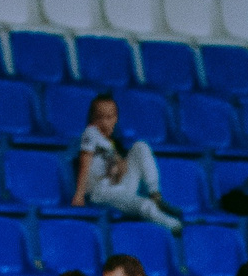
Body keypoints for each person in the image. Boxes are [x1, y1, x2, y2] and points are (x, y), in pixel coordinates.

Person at [73, 93, 179, 230]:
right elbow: (85, 161)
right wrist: (79, 195)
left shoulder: (110, 143)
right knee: (144, 205)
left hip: (120, 188)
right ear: (92, 119)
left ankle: (156, 195)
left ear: (116, 119)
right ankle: (176, 227)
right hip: (102, 193)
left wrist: (119, 164)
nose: (105, 122)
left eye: (109, 117)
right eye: (100, 117)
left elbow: (119, 169)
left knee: (141, 146)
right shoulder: (90, 133)